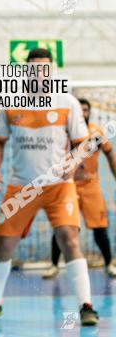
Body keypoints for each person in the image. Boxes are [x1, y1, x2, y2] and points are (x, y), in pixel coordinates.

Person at [0, 47, 99, 326]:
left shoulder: (67, 102)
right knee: (4, 245)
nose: (39, 73)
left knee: (69, 237)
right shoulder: (11, 102)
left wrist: (74, 162)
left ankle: (86, 306)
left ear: (52, 70)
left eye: (45, 68)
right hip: (21, 188)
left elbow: (83, 145)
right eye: (34, 68)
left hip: (59, 186)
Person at [43, 98, 116, 278]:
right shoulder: (63, 131)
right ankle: (53, 265)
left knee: (100, 227)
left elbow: (110, 154)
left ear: (89, 112)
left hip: (91, 186)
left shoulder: (97, 133)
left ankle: (109, 264)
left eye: (86, 110)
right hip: (69, 186)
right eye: (80, 110)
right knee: (63, 226)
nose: (83, 113)